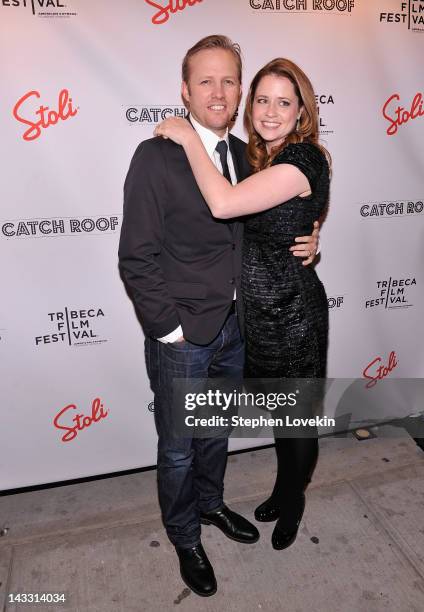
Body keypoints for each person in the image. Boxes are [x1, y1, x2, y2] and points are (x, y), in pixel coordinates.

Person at [119, 37, 319, 597]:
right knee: (179, 447)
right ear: (185, 90)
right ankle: (184, 536)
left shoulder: (247, 155)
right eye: (205, 80)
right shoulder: (155, 155)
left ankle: (210, 507)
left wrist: (312, 234)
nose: (219, 91)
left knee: (214, 434)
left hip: (237, 329)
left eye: (230, 81)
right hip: (183, 335)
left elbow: (278, 211)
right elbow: (136, 255)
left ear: (240, 93)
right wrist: (168, 329)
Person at [155, 57, 330, 552]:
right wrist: (312, 233)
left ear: (302, 112)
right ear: (250, 106)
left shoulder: (303, 160)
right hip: (254, 317)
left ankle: (293, 501)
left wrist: (188, 137)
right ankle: (282, 489)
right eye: (262, 99)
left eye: (284, 102)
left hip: (292, 314)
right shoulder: (256, 158)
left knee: (296, 421)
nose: (271, 112)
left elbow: (226, 205)